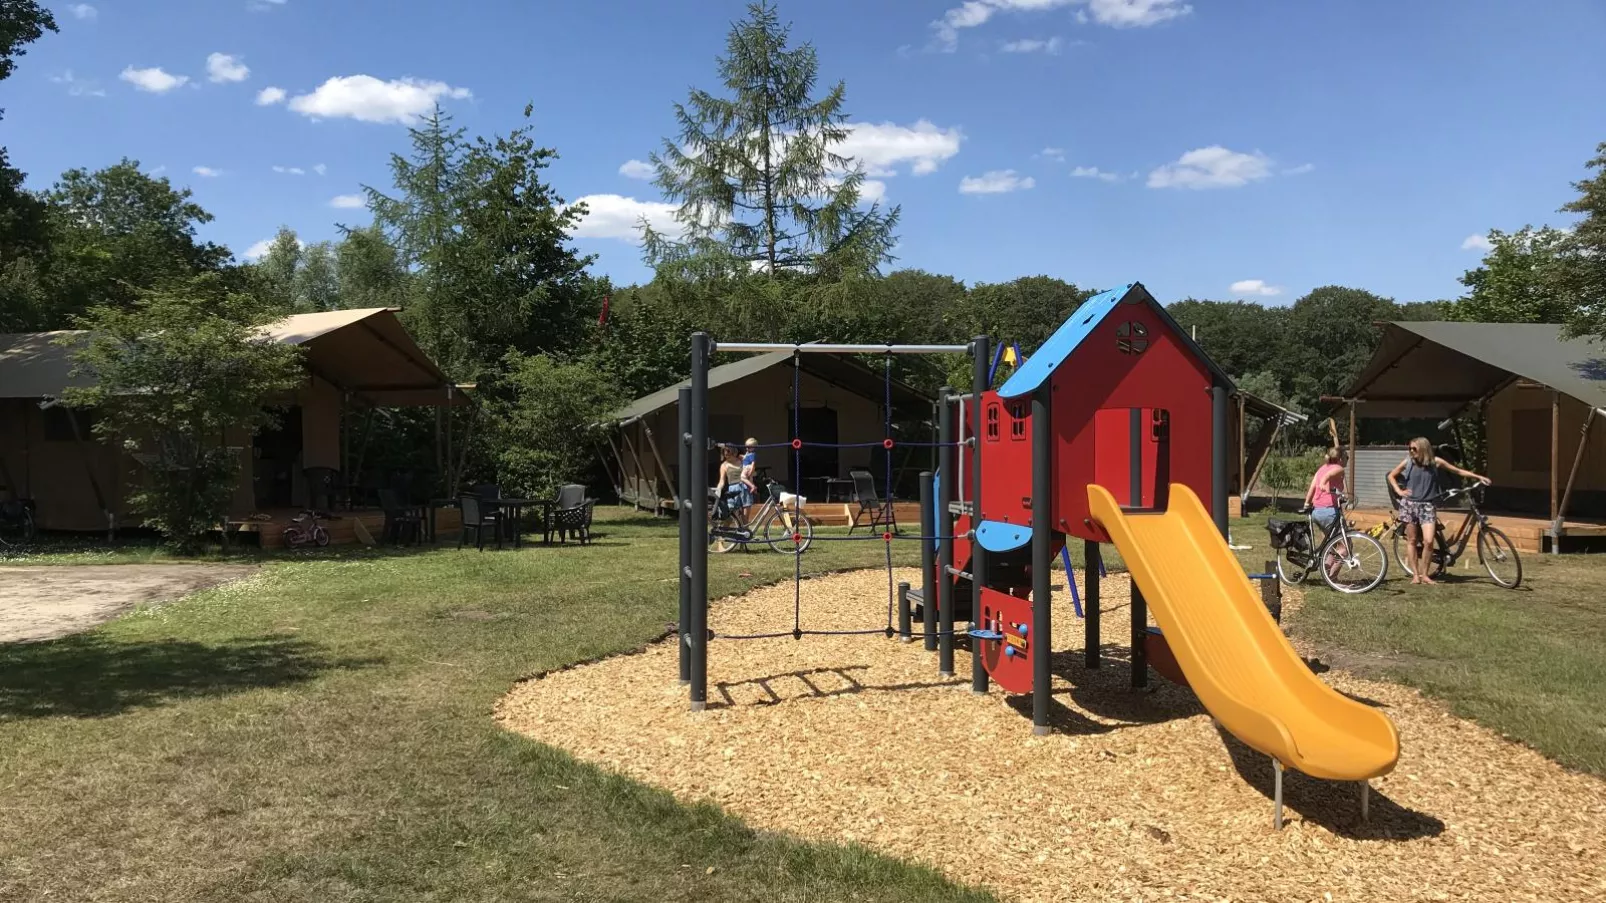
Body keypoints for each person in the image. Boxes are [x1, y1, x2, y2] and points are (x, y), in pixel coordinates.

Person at [1388, 437, 1491, 585]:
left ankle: (1425, 575)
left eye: (1414, 449)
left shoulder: (1435, 462)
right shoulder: (1408, 462)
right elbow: (1392, 475)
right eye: (1409, 448)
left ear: (1423, 448)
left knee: (1428, 541)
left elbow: (1458, 471)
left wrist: (1478, 477)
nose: (1411, 451)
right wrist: (1399, 490)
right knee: (1411, 540)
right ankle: (1415, 575)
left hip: (1427, 505)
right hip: (1409, 505)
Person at [1303, 447, 1347, 532]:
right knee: (1345, 543)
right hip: (1329, 512)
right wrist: (1323, 483)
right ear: (1341, 459)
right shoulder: (1339, 468)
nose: (1347, 460)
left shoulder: (1321, 469)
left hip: (1316, 512)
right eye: (1347, 458)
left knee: (1331, 541)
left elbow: (1312, 487)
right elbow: (1328, 475)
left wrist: (1307, 504)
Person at [714, 444, 753, 529]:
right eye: (724, 451)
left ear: (733, 452)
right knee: (731, 516)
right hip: (733, 490)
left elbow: (750, 469)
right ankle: (722, 535)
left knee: (745, 517)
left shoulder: (742, 460)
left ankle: (744, 538)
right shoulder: (724, 465)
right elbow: (722, 480)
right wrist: (718, 490)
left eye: (728, 451)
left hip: (745, 488)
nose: (726, 453)